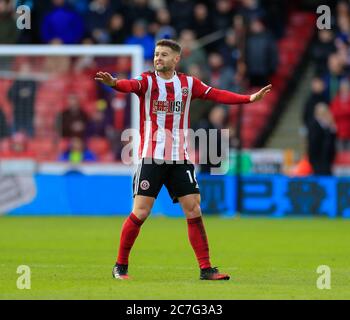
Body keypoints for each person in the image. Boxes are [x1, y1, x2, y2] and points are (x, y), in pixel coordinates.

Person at [95, 39, 271, 280]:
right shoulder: (147, 81)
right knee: (141, 212)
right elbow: (129, 85)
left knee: (194, 208)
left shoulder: (188, 84)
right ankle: (120, 266)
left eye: (164, 55)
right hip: (152, 157)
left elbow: (217, 94)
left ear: (176, 59)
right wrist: (114, 83)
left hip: (180, 159)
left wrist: (248, 99)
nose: (158, 58)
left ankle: (206, 268)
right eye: (157, 54)